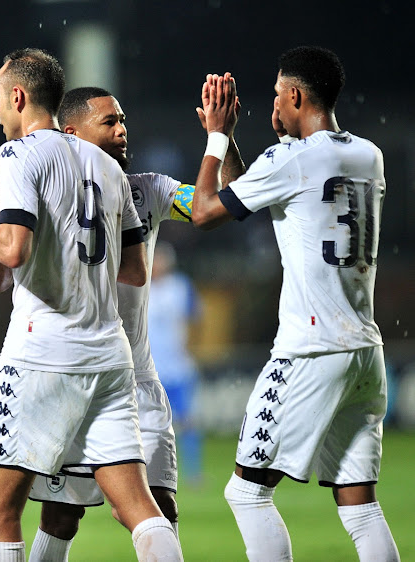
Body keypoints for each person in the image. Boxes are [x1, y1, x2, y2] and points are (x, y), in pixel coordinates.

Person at [0, 48, 182, 562]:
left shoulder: (20, 154)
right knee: (142, 508)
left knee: (1, 506)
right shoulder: (107, 166)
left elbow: (11, 249)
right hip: (111, 358)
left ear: (18, 96)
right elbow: (135, 271)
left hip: (42, 353)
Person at [191, 47, 400, 561]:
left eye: (279, 96)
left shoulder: (292, 160)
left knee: (247, 492)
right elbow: (260, 194)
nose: (274, 107)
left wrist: (218, 136)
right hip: (364, 352)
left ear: (297, 96)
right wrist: (239, 142)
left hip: (310, 349)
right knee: (360, 507)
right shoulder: (367, 155)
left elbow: (203, 213)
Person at [23, 87, 241, 561]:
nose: (123, 129)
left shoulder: (149, 189)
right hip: (73, 372)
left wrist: (220, 138)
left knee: (161, 507)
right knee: (60, 516)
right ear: (71, 133)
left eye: (123, 119)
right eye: (109, 122)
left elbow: (219, 204)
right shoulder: (46, 190)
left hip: (137, 378)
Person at [148, 243, 203, 484]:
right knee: (148, 424)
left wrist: (192, 349)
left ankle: (193, 473)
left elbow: (197, 319)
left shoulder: (181, 286)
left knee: (187, 421)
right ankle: (150, 474)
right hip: (148, 369)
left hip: (178, 367)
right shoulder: (138, 286)